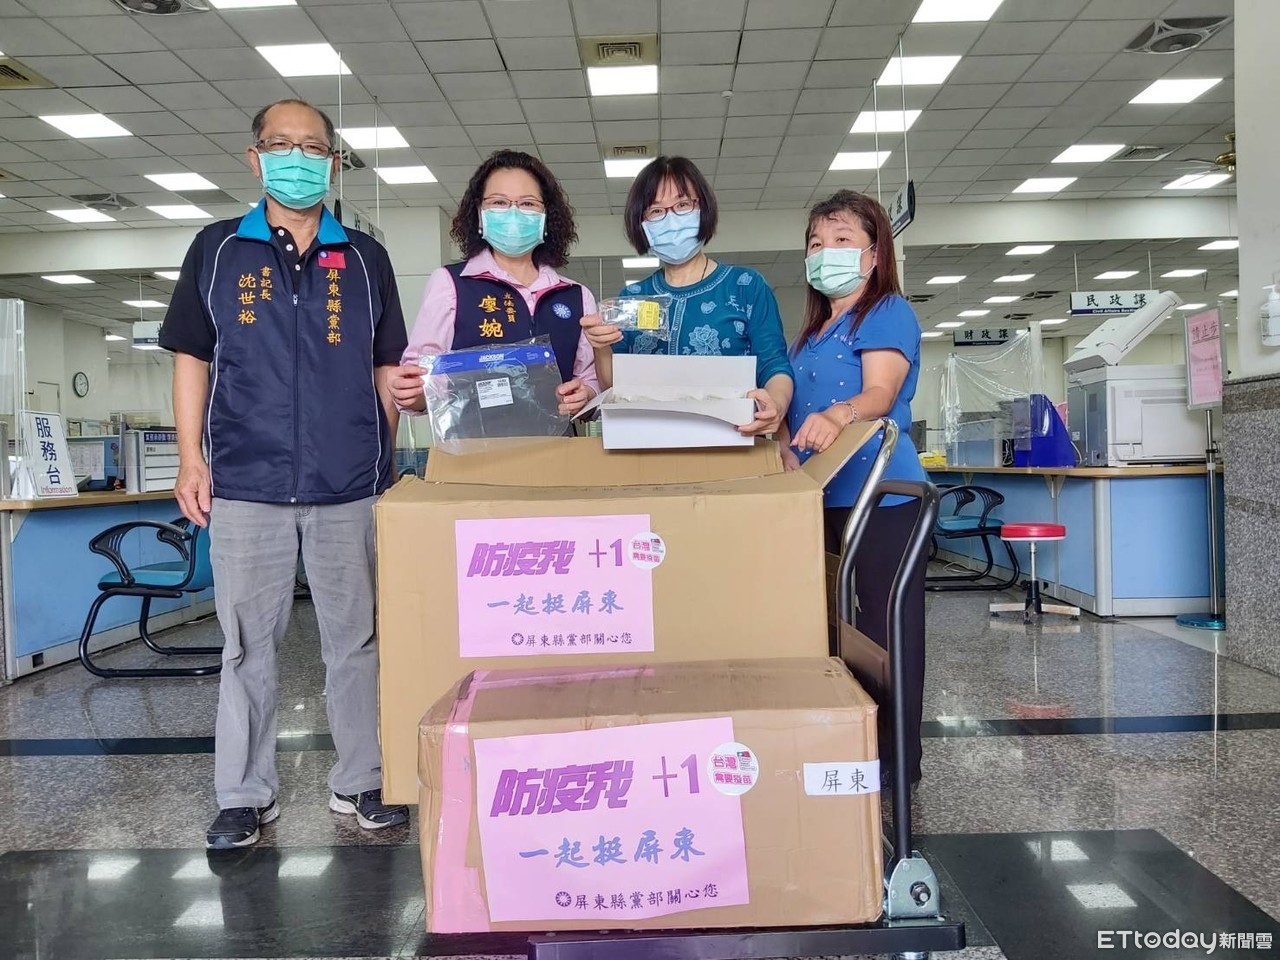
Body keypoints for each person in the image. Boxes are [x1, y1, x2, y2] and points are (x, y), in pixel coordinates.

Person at [159, 98, 410, 849]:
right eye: (281, 144)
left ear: (333, 162)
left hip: (348, 486)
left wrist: (382, 459)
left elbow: (388, 368)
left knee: (356, 642)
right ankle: (243, 794)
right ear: (255, 157)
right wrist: (191, 458)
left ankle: (362, 780)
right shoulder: (217, 250)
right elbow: (191, 357)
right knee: (244, 644)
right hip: (245, 483)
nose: (296, 158)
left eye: (312, 147)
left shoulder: (364, 258)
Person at [781, 189, 928, 786]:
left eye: (842, 240)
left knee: (886, 631)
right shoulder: (809, 335)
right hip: (821, 498)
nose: (827, 253)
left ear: (873, 254)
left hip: (882, 497)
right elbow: (792, 411)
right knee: (836, 632)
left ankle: (897, 761)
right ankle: (850, 744)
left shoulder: (885, 311)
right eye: (816, 243)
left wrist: (838, 415)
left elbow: (880, 394)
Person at [580, 156, 792, 436]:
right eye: (656, 211)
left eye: (682, 205)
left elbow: (774, 364)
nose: (671, 219)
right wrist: (600, 346)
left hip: (731, 441)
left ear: (703, 208)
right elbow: (614, 386)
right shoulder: (633, 297)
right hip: (648, 444)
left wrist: (776, 403)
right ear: (641, 223)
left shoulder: (745, 286)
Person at [388, 150, 599, 419]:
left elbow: (590, 379)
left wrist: (586, 394)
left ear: (546, 215)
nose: (513, 213)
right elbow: (422, 378)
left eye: (528, 203)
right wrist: (412, 392)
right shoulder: (451, 284)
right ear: (480, 213)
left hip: (556, 442)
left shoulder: (575, 296)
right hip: (474, 443)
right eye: (499, 202)